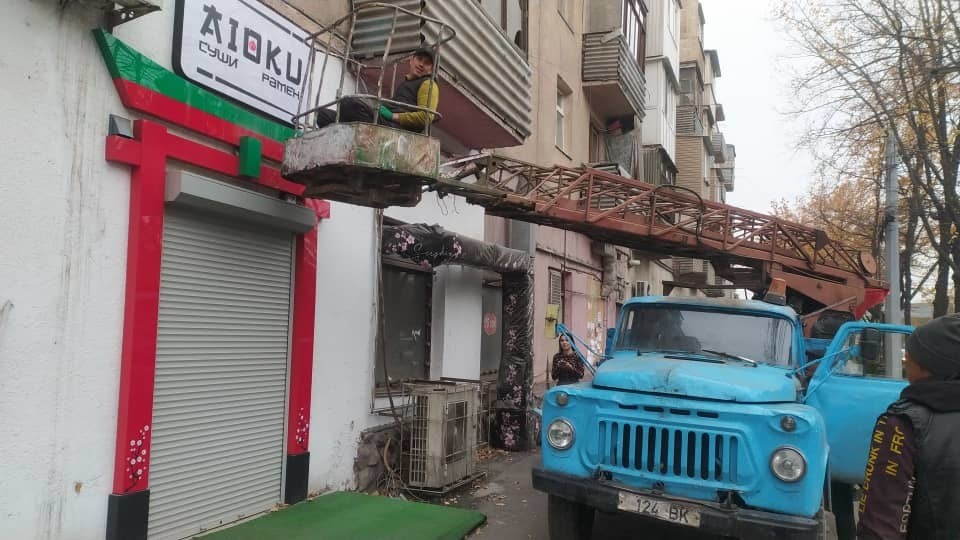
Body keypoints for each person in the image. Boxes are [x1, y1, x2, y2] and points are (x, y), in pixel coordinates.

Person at [856, 314, 960, 539]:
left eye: (911, 356)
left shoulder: (903, 423)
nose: (905, 361)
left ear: (930, 365)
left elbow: (881, 524)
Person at [315, 47, 439, 133]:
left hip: (395, 129)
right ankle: (347, 137)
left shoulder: (428, 84)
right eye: (419, 59)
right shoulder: (408, 83)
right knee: (323, 115)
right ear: (411, 60)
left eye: (427, 63)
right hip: (386, 122)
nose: (421, 64)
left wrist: (393, 116)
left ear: (431, 69)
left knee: (348, 104)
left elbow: (426, 117)